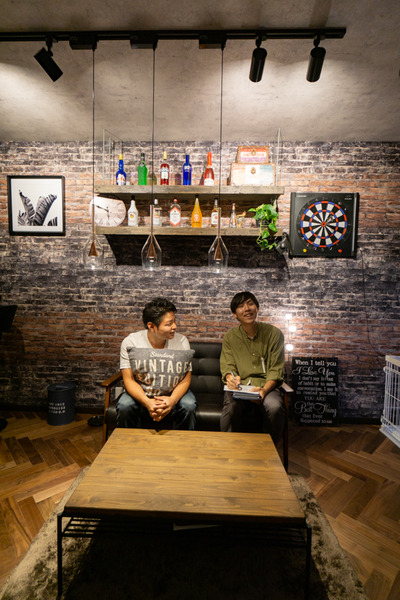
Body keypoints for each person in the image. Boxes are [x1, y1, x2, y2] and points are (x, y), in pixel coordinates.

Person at [116, 297, 197, 430]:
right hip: (141, 391)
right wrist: (147, 402)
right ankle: (127, 442)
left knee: (189, 405)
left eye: (174, 321)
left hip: (173, 391)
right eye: (169, 324)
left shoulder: (182, 342)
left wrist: (172, 400)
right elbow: (128, 379)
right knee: (125, 406)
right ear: (151, 326)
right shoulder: (131, 342)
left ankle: (183, 442)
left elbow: (186, 378)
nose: (175, 326)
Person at [220, 291, 285, 445]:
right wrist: (231, 378)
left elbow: (276, 369)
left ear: (257, 308)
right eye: (241, 306)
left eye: (250, 304)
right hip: (241, 387)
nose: (247, 309)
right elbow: (228, 366)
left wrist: (264, 391)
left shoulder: (274, 334)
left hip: (267, 386)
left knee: (275, 407)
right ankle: (227, 448)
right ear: (234, 314)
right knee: (231, 407)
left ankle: (270, 450)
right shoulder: (230, 337)